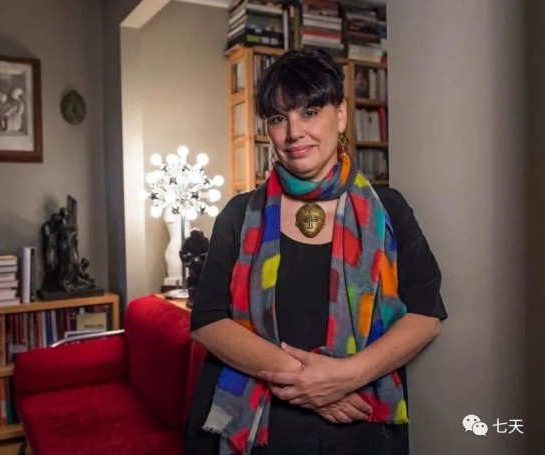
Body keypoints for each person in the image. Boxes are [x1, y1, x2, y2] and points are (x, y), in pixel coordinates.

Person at [185, 47, 447, 455]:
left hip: (360, 423)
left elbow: (426, 315)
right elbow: (207, 321)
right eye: (279, 118)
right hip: (256, 428)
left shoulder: (389, 210)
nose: (294, 132)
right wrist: (310, 383)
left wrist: (347, 376)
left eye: (309, 112)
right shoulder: (239, 215)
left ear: (340, 115)